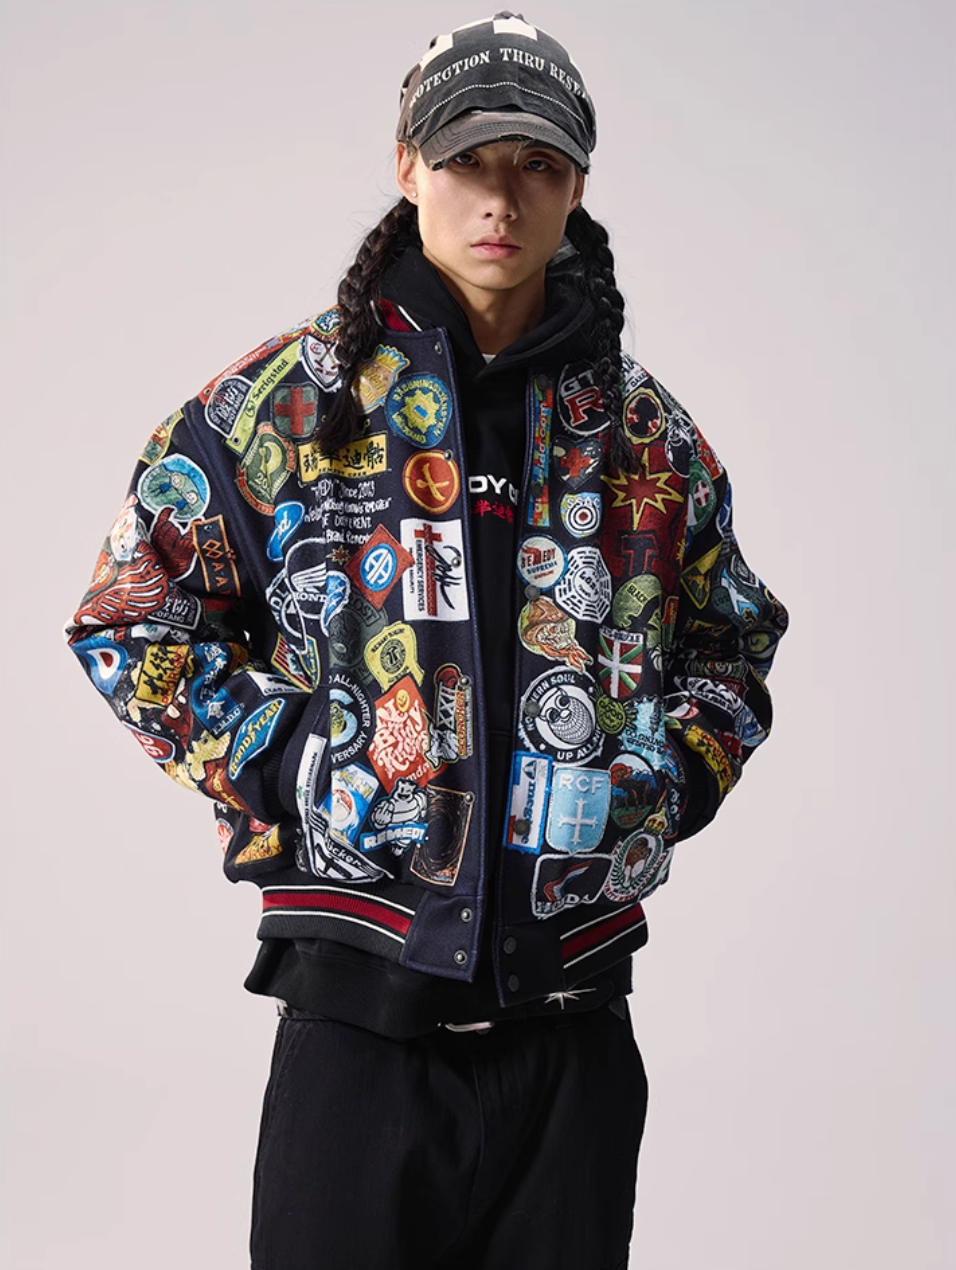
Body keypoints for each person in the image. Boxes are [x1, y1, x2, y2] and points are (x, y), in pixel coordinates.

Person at [67, 11, 789, 1269]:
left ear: (576, 186)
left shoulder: (645, 438)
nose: (499, 197)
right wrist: (296, 758)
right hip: (358, 1033)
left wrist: (655, 783)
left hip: (572, 1035)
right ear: (406, 165)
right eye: (466, 159)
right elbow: (131, 618)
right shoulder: (284, 407)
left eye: (536, 164)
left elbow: (731, 648)